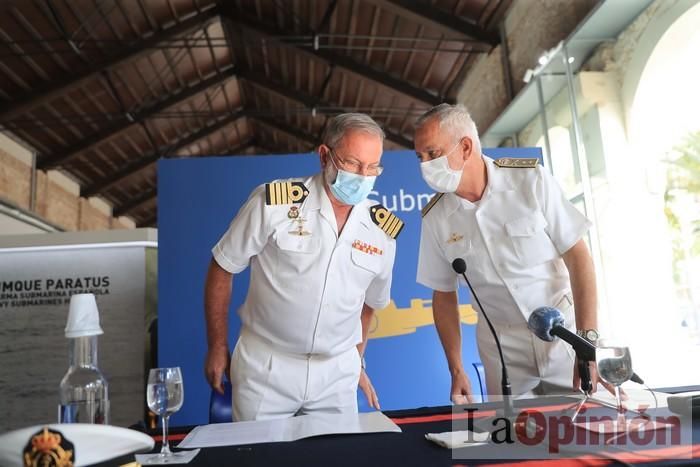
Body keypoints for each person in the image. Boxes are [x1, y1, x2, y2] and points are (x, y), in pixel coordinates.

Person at [204, 113, 401, 421]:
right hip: (267, 366)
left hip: (336, 374)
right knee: (260, 459)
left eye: (372, 167)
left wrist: (356, 362)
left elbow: (369, 305)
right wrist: (217, 346)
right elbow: (222, 266)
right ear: (325, 156)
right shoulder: (274, 203)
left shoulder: (382, 229)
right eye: (352, 163)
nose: (363, 176)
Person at [414, 103, 607, 402]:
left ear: (465, 147)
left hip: (564, 335)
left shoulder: (530, 181)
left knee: (587, 429)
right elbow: (443, 294)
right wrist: (456, 369)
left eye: (432, 154)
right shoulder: (436, 217)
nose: (425, 166)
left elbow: (578, 256)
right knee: (513, 441)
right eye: (420, 157)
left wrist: (587, 342)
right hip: (501, 347)